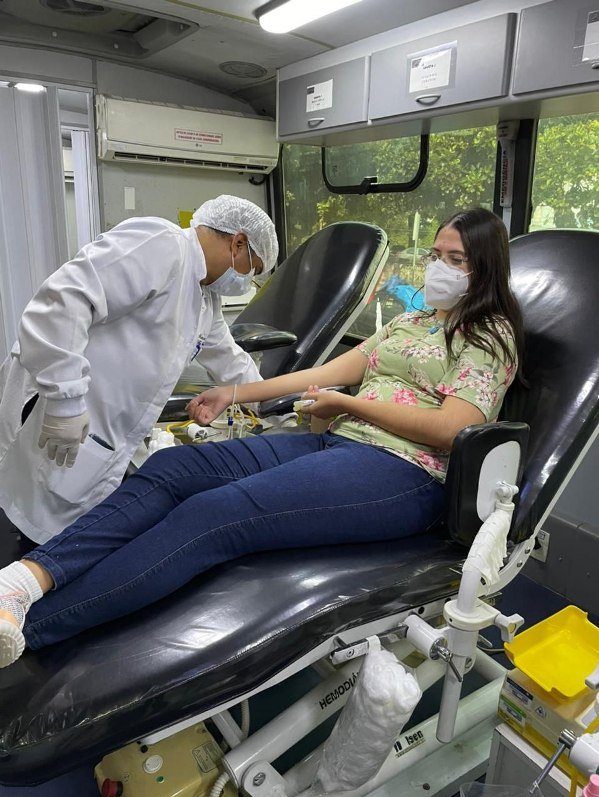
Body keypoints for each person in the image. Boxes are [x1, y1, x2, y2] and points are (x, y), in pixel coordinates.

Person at [0, 207, 524, 669]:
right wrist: (235, 393)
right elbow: (332, 371)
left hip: (405, 471)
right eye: (435, 254)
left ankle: (34, 630)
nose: (439, 267)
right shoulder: (411, 321)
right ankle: (24, 582)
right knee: (172, 471)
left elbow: (453, 428)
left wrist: (346, 404)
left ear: (484, 268)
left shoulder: (490, 336)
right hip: (338, 443)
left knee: (215, 514)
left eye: (455, 259)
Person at [0, 195, 279, 546]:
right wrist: (65, 400)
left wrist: (280, 402)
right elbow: (61, 303)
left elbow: (229, 359)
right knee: (25, 527)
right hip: (61, 415)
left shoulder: (205, 297)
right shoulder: (162, 246)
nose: (246, 282)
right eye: (252, 271)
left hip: (102, 437)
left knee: (60, 539)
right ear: (238, 243)